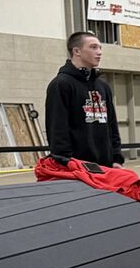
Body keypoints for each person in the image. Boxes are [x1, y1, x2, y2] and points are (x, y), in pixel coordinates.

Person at [44, 30, 124, 169]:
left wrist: (116, 157)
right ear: (77, 51)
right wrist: (65, 161)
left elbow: (111, 125)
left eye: (100, 48)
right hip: (76, 167)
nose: (99, 52)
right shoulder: (61, 84)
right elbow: (57, 128)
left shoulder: (102, 85)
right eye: (93, 47)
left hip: (106, 166)